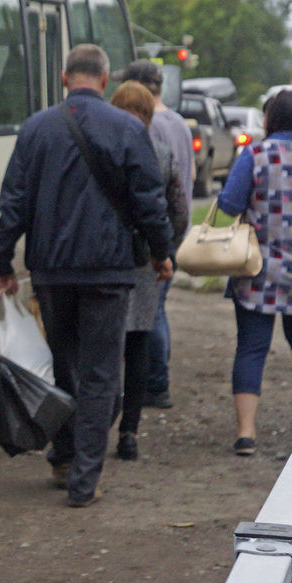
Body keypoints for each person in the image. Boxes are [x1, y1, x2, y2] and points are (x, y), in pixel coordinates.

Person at [0, 44, 173, 507]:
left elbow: (14, 199)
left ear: (64, 76)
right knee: (99, 373)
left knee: (64, 364)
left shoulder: (35, 129)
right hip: (109, 270)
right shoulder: (130, 128)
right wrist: (160, 252)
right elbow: (150, 200)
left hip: (51, 270)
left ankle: (67, 454)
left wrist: (1, 261)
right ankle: (83, 478)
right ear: (105, 79)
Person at [216, 89, 292, 457]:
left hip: (258, 267)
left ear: (269, 119)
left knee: (252, 347)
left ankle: (246, 433)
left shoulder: (254, 155)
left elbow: (229, 203)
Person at [109, 81, 189, 461]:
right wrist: (165, 250)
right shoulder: (159, 153)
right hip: (144, 260)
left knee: (105, 343)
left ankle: (101, 416)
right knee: (139, 342)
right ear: (147, 116)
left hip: (104, 259)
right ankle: (129, 433)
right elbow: (177, 210)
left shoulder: (98, 151)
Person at [119, 59, 194, 410]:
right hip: (172, 229)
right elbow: (186, 178)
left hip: (150, 235)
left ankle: (156, 382)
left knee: (149, 315)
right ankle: (154, 381)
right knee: (156, 308)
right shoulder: (179, 122)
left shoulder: (147, 130)